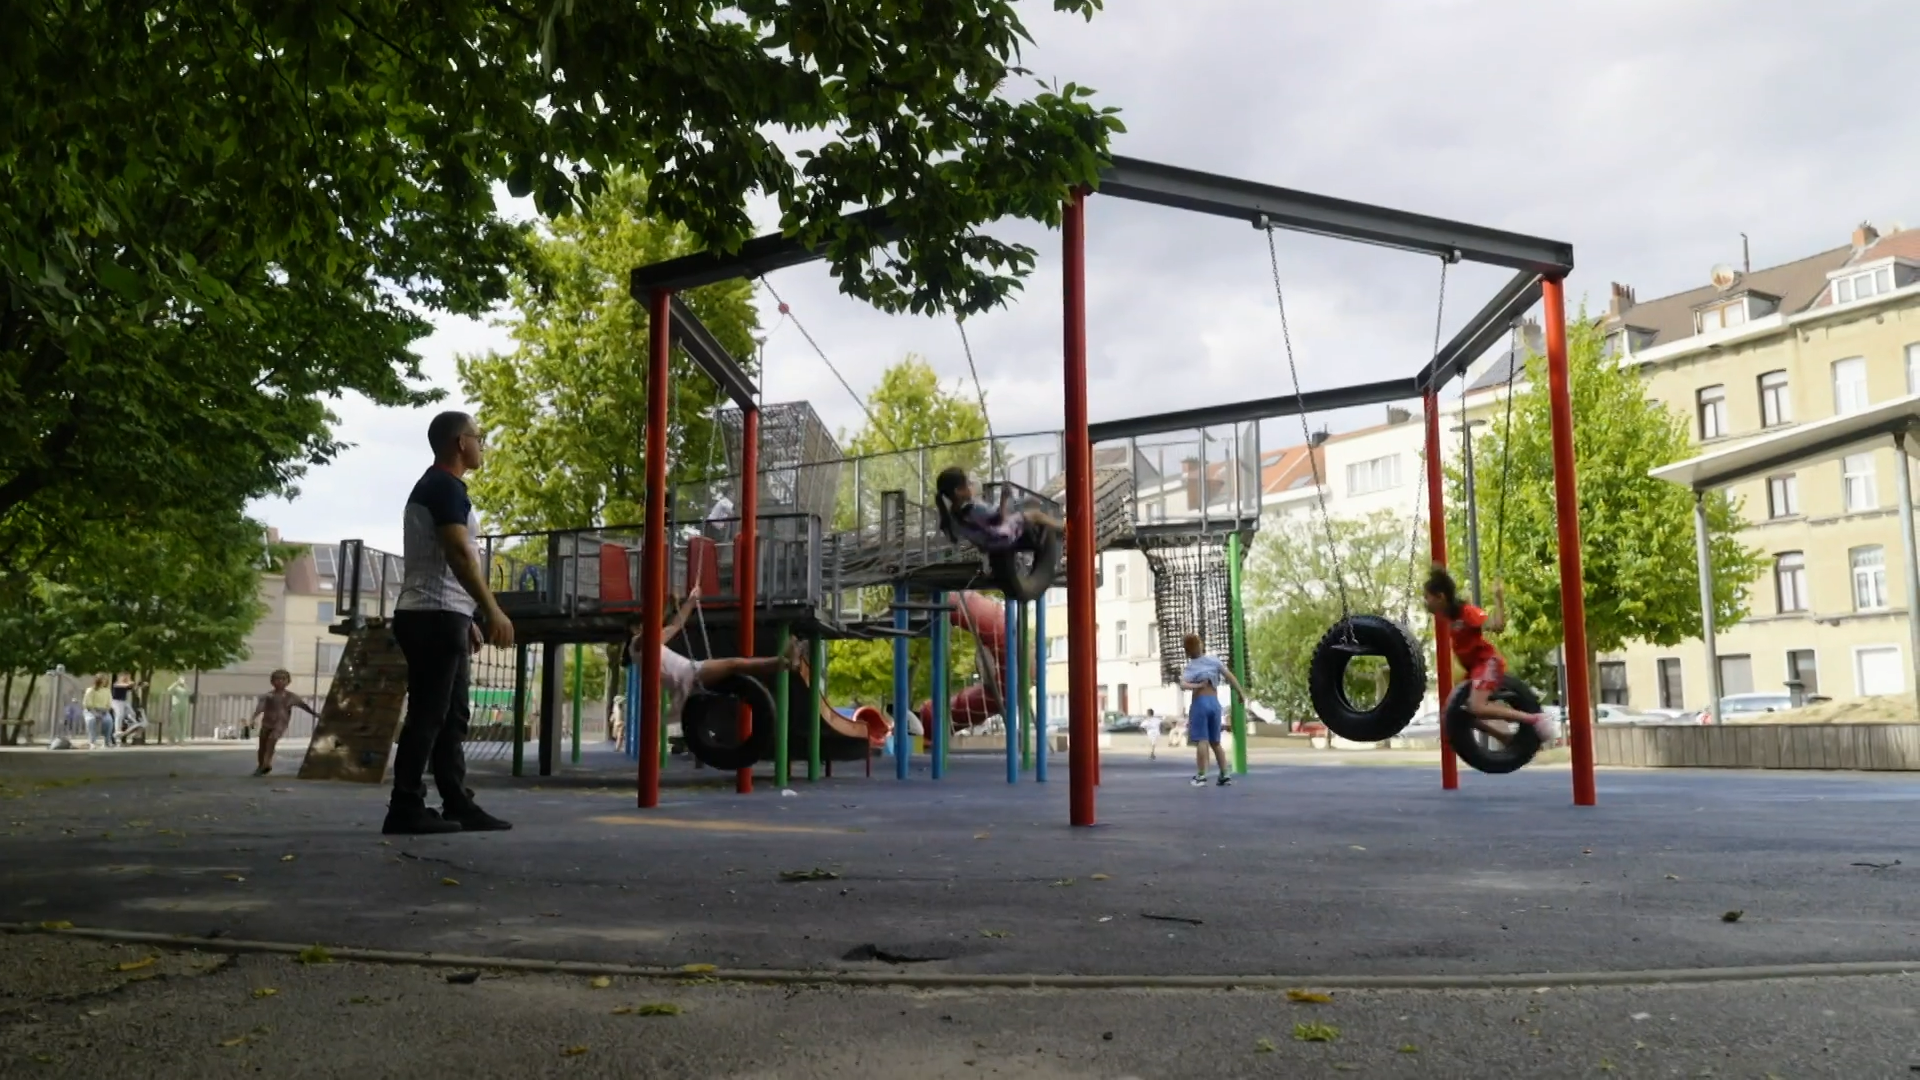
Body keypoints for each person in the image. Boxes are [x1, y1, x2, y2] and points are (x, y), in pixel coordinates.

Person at [384, 411, 516, 836]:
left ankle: (457, 802)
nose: (482, 445)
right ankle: (405, 807)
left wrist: (466, 615)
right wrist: (491, 610)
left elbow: (442, 561)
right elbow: (458, 553)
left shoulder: (439, 486)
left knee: (452, 714)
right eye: (479, 437)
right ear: (461, 442)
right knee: (428, 714)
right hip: (432, 615)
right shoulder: (443, 486)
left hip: (442, 613)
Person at [626, 583, 803, 733]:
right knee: (734, 664)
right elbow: (651, 630)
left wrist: (691, 600)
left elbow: (676, 625)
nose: (644, 627)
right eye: (640, 625)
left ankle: (784, 662)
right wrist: (666, 607)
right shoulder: (636, 646)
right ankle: (783, 662)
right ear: (634, 629)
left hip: (689, 673)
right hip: (688, 676)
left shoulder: (653, 642)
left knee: (734, 667)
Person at [1421, 567, 1557, 745]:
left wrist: (1498, 598)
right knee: (1458, 712)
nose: (1425, 602)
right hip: (1473, 670)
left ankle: (1535, 719)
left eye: (1427, 597)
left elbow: (1498, 626)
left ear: (1440, 597)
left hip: (1487, 663)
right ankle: (1504, 737)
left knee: (1477, 707)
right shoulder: (1448, 616)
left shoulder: (1467, 612)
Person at [933, 467, 1064, 553]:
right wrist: (1004, 498)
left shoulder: (951, 516)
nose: (971, 486)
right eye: (968, 484)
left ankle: (1053, 528)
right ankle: (1062, 526)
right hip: (1003, 537)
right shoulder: (974, 509)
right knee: (1035, 514)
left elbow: (959, 537)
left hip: (987, 543)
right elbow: (1000, 519)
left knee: (1030, 502)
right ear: (958, 491)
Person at [1179, 633, 1244, 787]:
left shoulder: (1191, 666)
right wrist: (1240, 692)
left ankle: (1201, 775)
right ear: (1200, 645)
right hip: (1215, 703)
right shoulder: (1214, 661)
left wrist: (1197, 685)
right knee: (1216, 742)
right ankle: (1225, 774)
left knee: (1202, 740)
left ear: (1187, 652)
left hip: (1200, 702)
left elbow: (1183, 684)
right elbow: (1229, 676)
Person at [248, 669, 318, 776]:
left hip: (280, 723)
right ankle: (261, 765)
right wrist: (253, 718)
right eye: (277, 679)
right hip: (267, 723)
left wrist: (315, 714)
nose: (280, 681)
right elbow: (260, 708)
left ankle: (266, 763)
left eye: (283, 679)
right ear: (272, 681)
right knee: (262, 746)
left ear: (288, 681)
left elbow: (304, 706)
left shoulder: (292, 697)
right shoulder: (268, 696)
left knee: (272, 739)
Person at [82, 675, 114, 749]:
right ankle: (92, 742)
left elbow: (109, 703)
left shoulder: (107, 691)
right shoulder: (91, 690)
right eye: (103, 679)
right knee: (91, 720)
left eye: (105, 680)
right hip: (91, 710)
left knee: (108, 721)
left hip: (103, 711)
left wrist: (105, 710)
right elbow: (87, 703)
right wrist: (95, 713)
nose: (104, 681)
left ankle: (107, 742)